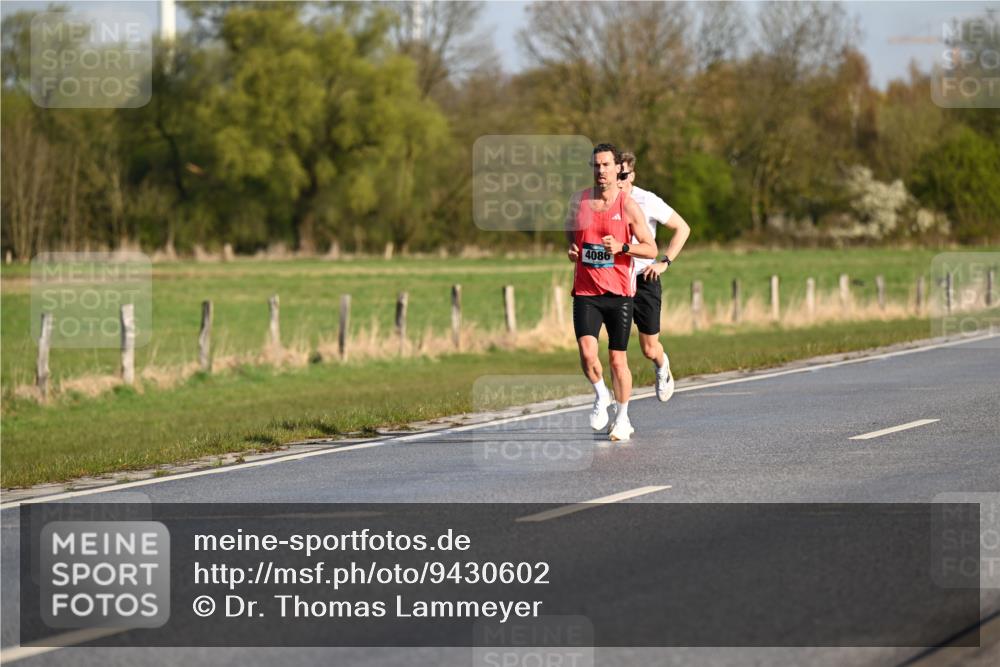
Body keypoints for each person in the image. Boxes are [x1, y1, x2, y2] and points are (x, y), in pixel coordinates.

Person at [566, 143, 657, 442]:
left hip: (618, 294)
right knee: (586, 353)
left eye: (606, 165)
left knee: (618, 360)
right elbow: (571, 232)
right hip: (586, 291)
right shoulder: (579, 201)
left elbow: (651, 248)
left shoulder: (628, 206)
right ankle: (600, 395)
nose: (600, 171)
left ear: (618, 168)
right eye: (596, 165)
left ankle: (623, 418)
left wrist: (623, 248)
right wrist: (573, 248)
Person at [618, 151, 690, 402]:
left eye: (623, 175)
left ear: (632, 175)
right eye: (614, 174)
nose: (618, 180)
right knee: (617, 350)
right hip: (616, 280)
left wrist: (665, 262)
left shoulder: (646, 200)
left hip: (644, 277)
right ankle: (618, 409)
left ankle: (662, 366)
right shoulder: (602, 202)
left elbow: (683, 227)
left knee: (649, 348)